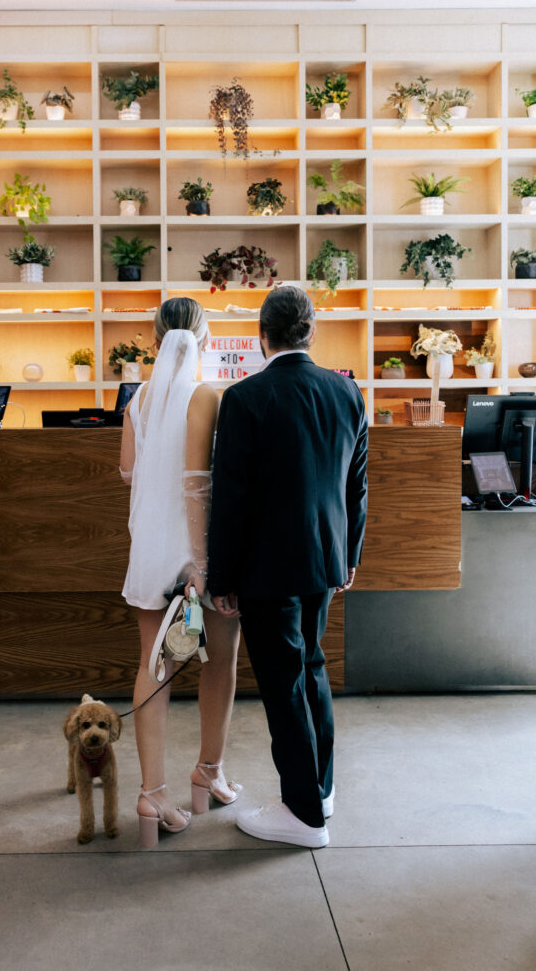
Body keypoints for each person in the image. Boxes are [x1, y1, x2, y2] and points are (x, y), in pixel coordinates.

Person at [207, 285, 368, 849]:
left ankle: (303, 814)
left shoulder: (245, 398)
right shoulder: (347, 392)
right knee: (313, 669)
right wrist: (349, 555)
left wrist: (221, 578)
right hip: (325, 558)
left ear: (261, 336)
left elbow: (231, 498)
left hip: (265, 567)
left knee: (284, 683)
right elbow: (356, 486)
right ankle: (319, 790)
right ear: (311, 332)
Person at [119, 298, 241, 848]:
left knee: (155, 663)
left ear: (155, 339)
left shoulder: (138, 399)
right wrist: (201, 562)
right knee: (220, 657)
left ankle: (153, 793)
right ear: (206, 337)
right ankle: (208, 772)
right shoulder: (205, 396)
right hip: (196, 551)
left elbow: (128, 473)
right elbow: (199, 483)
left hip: (148, 545)